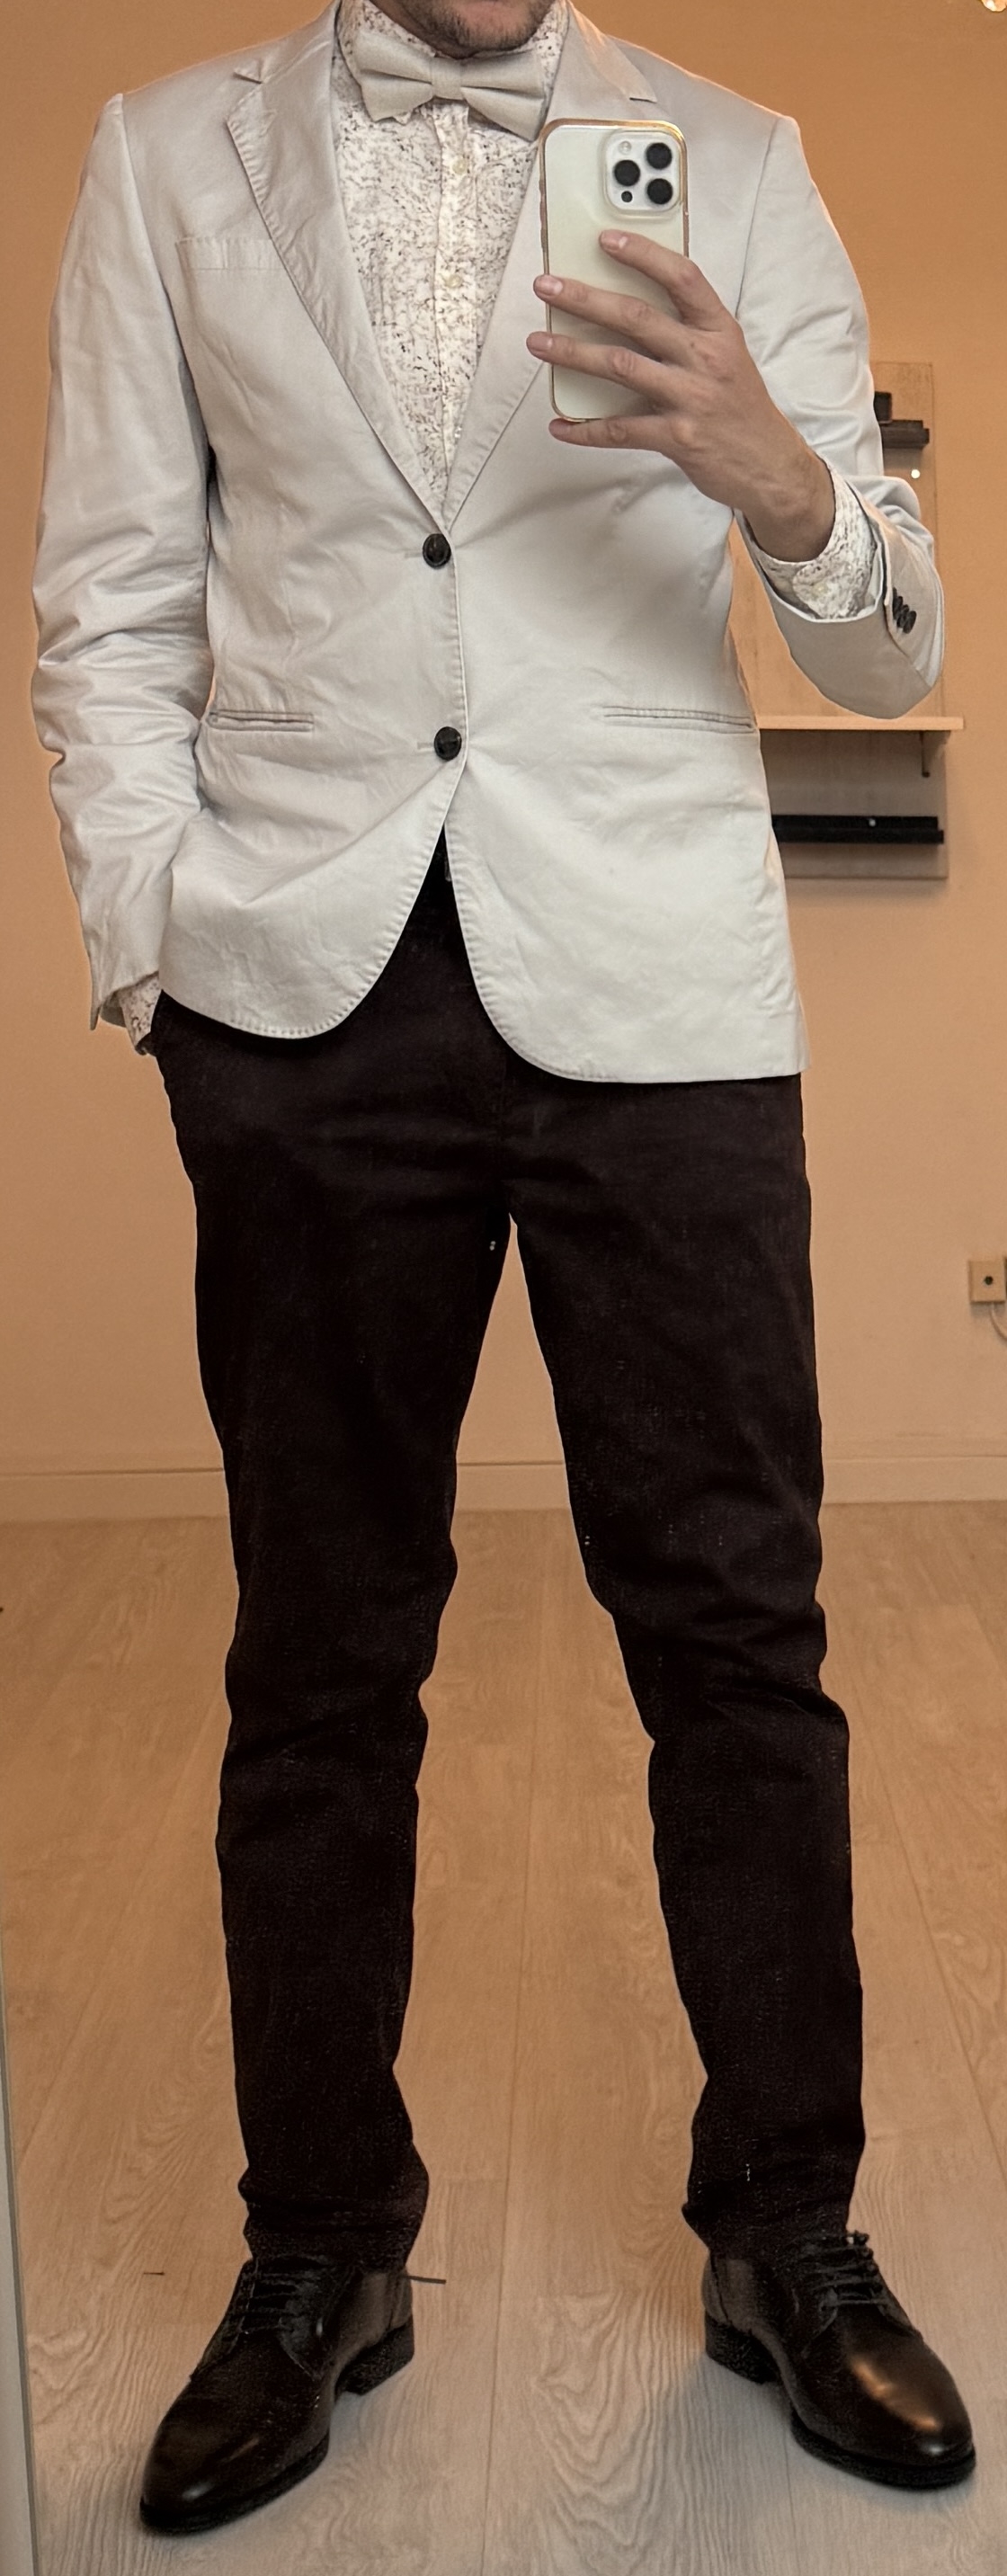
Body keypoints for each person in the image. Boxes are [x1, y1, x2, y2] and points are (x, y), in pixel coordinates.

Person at [33, 0, 975, 2535]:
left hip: (660, 994)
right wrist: (158, 947)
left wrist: (783, 476)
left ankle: (790, 2226)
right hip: (303, 1001)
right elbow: (108, 600)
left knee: (738, 1636)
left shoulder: (732, 156)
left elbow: (897, 647)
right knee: (319, 1652)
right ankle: (320, 2246)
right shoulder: (166, 154)